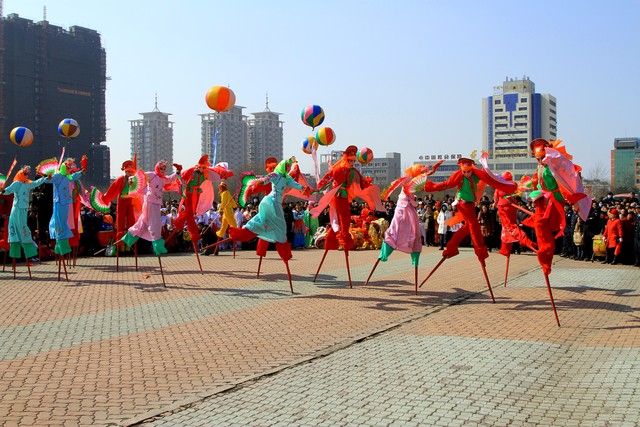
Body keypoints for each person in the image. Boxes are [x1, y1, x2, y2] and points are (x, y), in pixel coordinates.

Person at [310, 145, 384, 286]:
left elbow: (362, 183)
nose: (352, 162)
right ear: (346, 159)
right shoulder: (339, 169)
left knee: (342, 220)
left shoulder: (353, 171)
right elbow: (327, 178)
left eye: (353, 161)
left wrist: (367, 184)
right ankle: (343, 237)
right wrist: (317, 189)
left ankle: (335, 237)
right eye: (350, 160)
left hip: (345, 197)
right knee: (343, 218)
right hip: (338, 196)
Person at [122, 160, 181, 255]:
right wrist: (132, 179)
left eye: (164, 169)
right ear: (157, 168)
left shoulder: (163, 179)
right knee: (155, 223)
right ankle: (157, 245)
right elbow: (140, 176)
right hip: (150, 202)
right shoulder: (152, 175)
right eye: (161, 168)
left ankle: (129, 237)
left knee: (143, 222)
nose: (163, 170)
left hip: (156, 203)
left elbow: (170, 179)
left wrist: (177, 172)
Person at [173, 155, 231, 249]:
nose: (203, 169)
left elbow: (215, 175)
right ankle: (192, 231)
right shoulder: (191, 171)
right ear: (198, 166)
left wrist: (223, 174)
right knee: (189, 212)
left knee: (191, 212)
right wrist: (179, 172)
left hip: (196, 193)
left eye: (204, 168)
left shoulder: (205, 173)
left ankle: (185, 226)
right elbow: (180, 179)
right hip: (189, 192)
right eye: (202, 167)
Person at [0, 165, 49, 261]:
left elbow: (36, 183)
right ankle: (15, 252)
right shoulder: (16, 183)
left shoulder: (28, 184)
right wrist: (2, 191)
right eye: (25, 173)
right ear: (21, 173)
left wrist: (44, 178)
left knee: (24, 229)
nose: (27, 175)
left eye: (28, 174)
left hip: (24, 209)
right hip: (17, 209)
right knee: (18, 229)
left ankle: (29, 252)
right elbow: (8, 190)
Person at [45, 156, 87, 256]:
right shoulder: (58, 176)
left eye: (69, 168)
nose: (69, 169)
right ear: (64, 168)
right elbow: (47, 180)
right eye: (67, 168)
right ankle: (61, 246)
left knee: (64, 223)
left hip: (67, 203)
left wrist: (82, 172)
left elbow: (74, 176)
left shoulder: (68, 177)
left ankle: (60, 247)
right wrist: (48, 177)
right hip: (59, 202)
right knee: (60, 224)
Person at [99, 159, 138, 247]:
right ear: (125, 171)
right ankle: (120, 238)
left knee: (131, 219)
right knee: (121, 219)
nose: (130, 173)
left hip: (130, 200)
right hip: (122, 200)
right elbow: (113, 188)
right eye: (128, 171)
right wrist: (105, 198)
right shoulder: (121, 179)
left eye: (131, 171)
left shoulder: (134, 180)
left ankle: (131, 237)